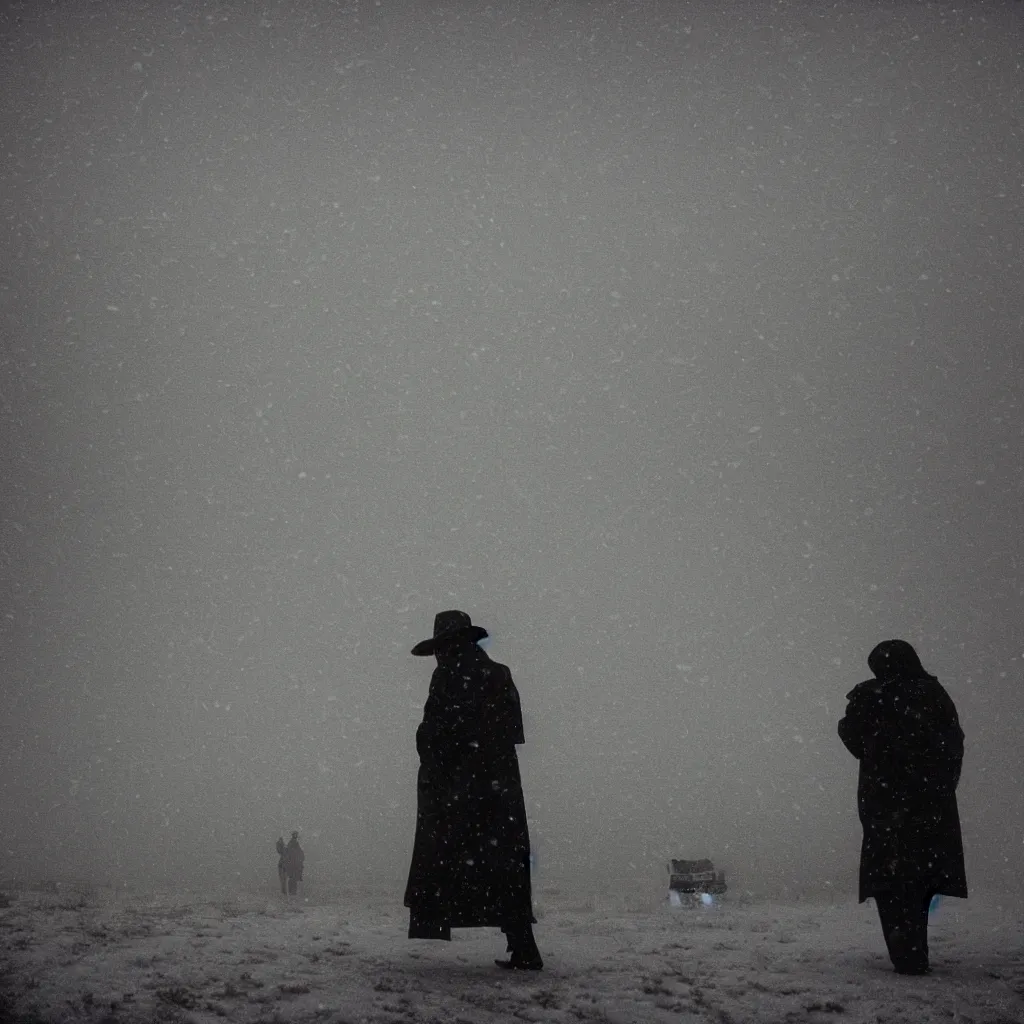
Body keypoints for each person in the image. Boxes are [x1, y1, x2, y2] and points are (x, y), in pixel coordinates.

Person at [404, 610, 542, 970]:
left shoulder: (450, 678)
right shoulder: (496, 674)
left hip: (463, 791)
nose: (439, 655)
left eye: (442, 647)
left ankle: (523, 947)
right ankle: (522, 945)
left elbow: (435, 732)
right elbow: (510, 731)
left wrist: (451, 752)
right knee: (503, 868)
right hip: (496, 792)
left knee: (474, 864)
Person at [838, 639, 967, 975]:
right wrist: (938, 787)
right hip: (928, 807)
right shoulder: (933, 695)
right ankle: (913, 951)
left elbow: (853, 739)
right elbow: (953, 746)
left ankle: (905, 952)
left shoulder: (873, 696)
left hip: (886, 805)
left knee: (891, 880)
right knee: (919, 878)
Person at [282, 831, 305, 896]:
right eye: (296, 835)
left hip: (293, 864)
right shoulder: (292, 843)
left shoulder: (293, 843)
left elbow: (300, 854)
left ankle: (292, 892)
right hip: (293, 864)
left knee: (293, 879)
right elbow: (297, 854)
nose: (296, 836)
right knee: (293, 879)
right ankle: (292, 893)